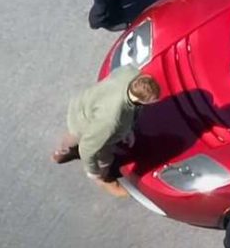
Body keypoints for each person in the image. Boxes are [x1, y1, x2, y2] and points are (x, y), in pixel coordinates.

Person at [52, 66, 161, 197]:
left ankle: (63, 152)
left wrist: (128, 129)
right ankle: (103, 179)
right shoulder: (111, 120)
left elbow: (116, 74)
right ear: (141, 100)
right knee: (103, 157)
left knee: (71, 138)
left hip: (84, 104)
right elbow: (87, 147)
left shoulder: (131, 74)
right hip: (86, 123)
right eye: (153, 101)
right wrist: (92, 172)